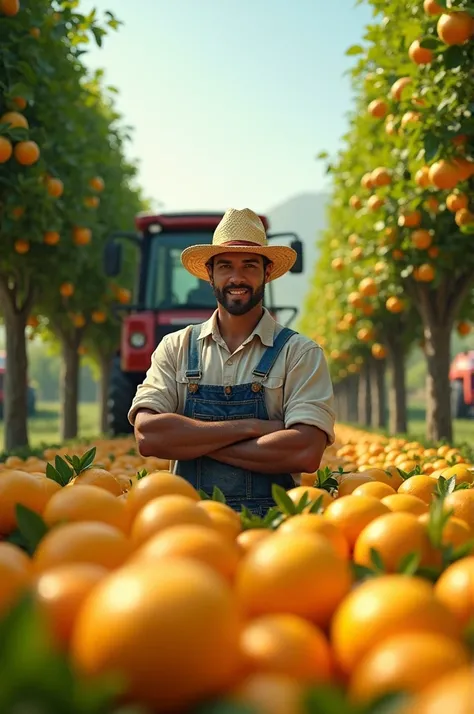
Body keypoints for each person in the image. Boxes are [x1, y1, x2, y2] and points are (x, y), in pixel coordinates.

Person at [128, 207, 335, 515]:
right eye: (225, 266)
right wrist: (253, 427)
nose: (237, 277)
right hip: (190, 524)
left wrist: (193, 443)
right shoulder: (175, 347)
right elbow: (149, 435)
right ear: (210, 274)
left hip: (273, 528)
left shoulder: (301, 354)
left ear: (266, 272)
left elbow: (305, 451)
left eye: (249, 266)